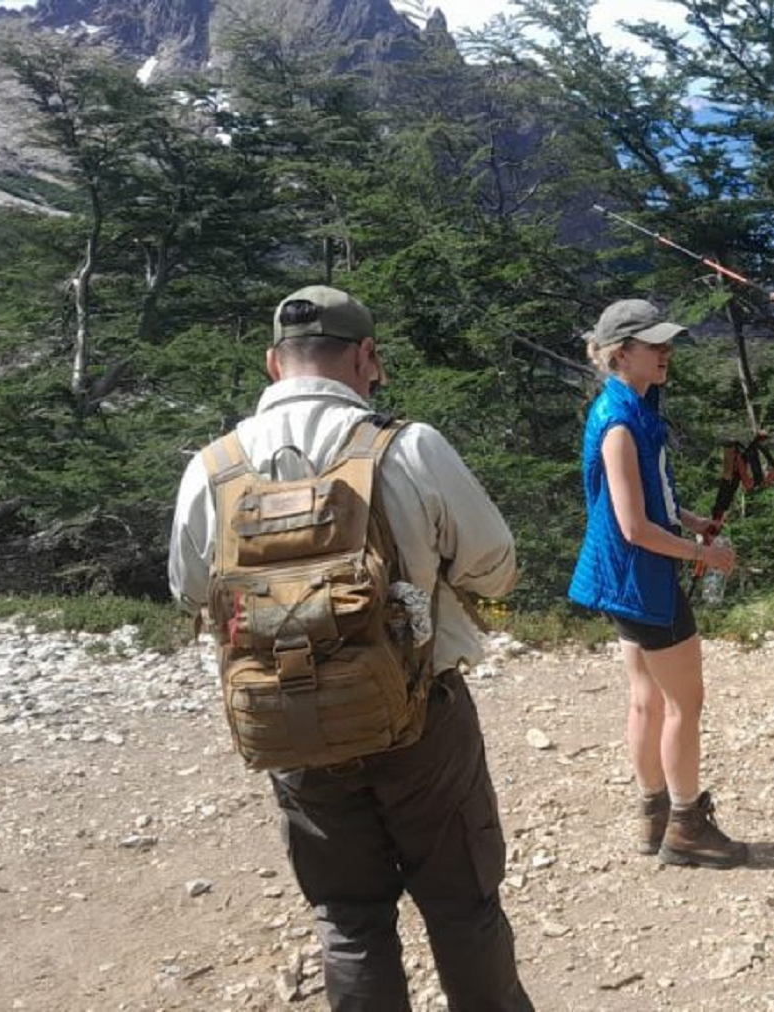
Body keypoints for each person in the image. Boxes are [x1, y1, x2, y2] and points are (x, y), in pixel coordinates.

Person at [168, 285, 533, 1011]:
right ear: (367, 357)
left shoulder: (213, 466)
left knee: (350, 922)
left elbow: (189, 590)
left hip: (293, 729)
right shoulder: (411, 446)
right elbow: (497, 566)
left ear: (275, 364)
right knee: (463, 909)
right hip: (420, 719)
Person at [567, 298, 748, 869]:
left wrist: (691, 522)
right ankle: (686, 825)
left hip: (621, 581)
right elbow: (635, 527)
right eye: (656, 345)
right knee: (684, 704)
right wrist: (705, 553)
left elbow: (648, 503)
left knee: (647, 699)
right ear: (623, 354)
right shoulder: (620, 422)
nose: (667, 353)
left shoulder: (631, 405)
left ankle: (653, 816)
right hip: (643, 582)